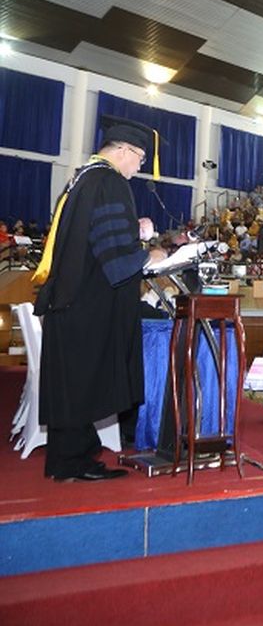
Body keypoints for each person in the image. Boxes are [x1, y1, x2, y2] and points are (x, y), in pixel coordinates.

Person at [33, 116, 167, 482]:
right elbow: (113, 259)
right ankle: (73, 461)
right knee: (83, 381)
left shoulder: (83, 178)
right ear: (123, 150)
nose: (139, 167)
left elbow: (97, 235)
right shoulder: (109, 182)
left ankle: (68, 460)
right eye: (139, 158)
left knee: (74, 384)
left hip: (70, 301)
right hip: (88, 305)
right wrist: (147, 255)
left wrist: (132, 230)